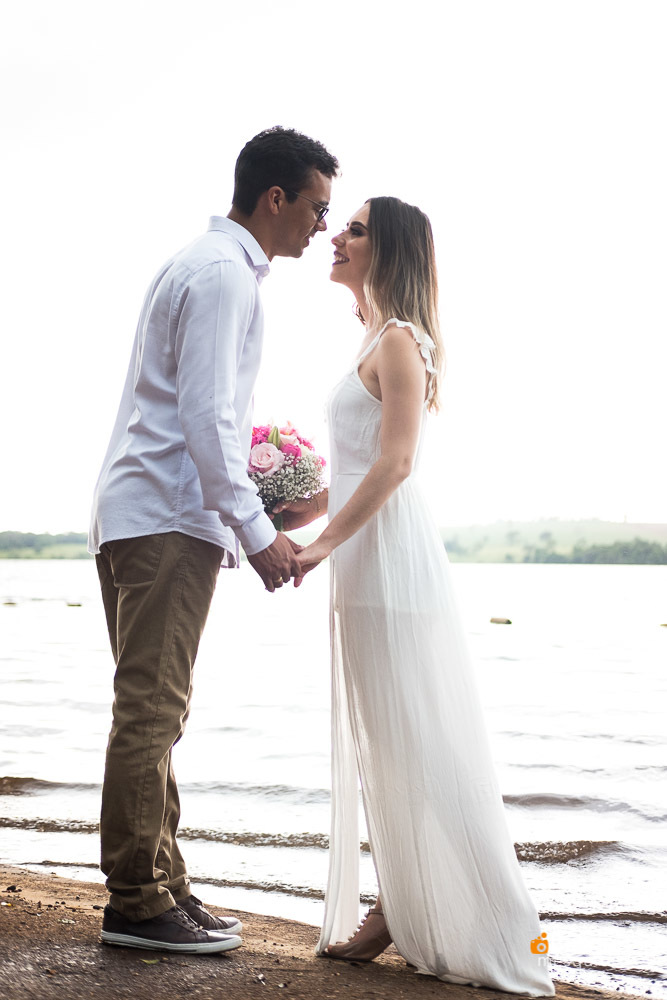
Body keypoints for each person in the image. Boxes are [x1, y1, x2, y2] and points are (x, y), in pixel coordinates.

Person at [277, 197, 554, 994]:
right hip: (365, 562)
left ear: (388, 252)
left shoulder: (398, 341)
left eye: (354, 229)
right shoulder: (370, 339)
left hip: (389, 564)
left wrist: (323, 543)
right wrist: (301, 508)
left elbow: (396, 464)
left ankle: (496, 929)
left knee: (420, 743)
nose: (335, 235)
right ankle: (400, 896)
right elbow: (362, 459)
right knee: (390, 743)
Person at [88, 127, 339, 954]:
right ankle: (135, 901)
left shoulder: (206, 265)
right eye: (314, 207)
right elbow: (206, 417)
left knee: (162, 708)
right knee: (152, 709)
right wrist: (258, 531)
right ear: (276, 198)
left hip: (150, 511)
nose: (318, 225)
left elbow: (201, 414)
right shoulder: (223, 274)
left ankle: (164, 881)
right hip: (164, 516)